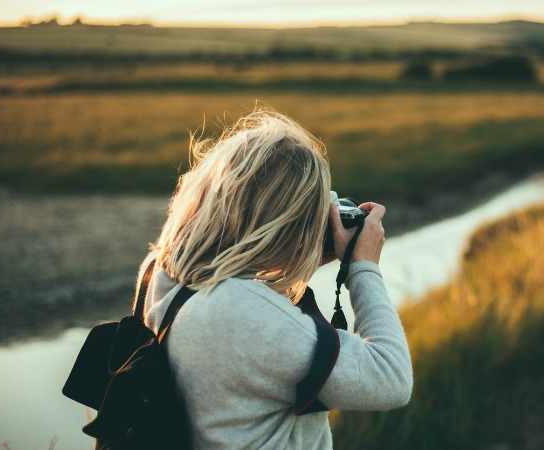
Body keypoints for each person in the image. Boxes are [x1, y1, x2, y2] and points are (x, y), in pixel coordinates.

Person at [136, 108, 413, 449]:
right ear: (286, 219)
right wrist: (363, 267)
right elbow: (392, 378)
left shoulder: (165, 276)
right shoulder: (241, 313)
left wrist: (298, 257)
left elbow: (249, 362)